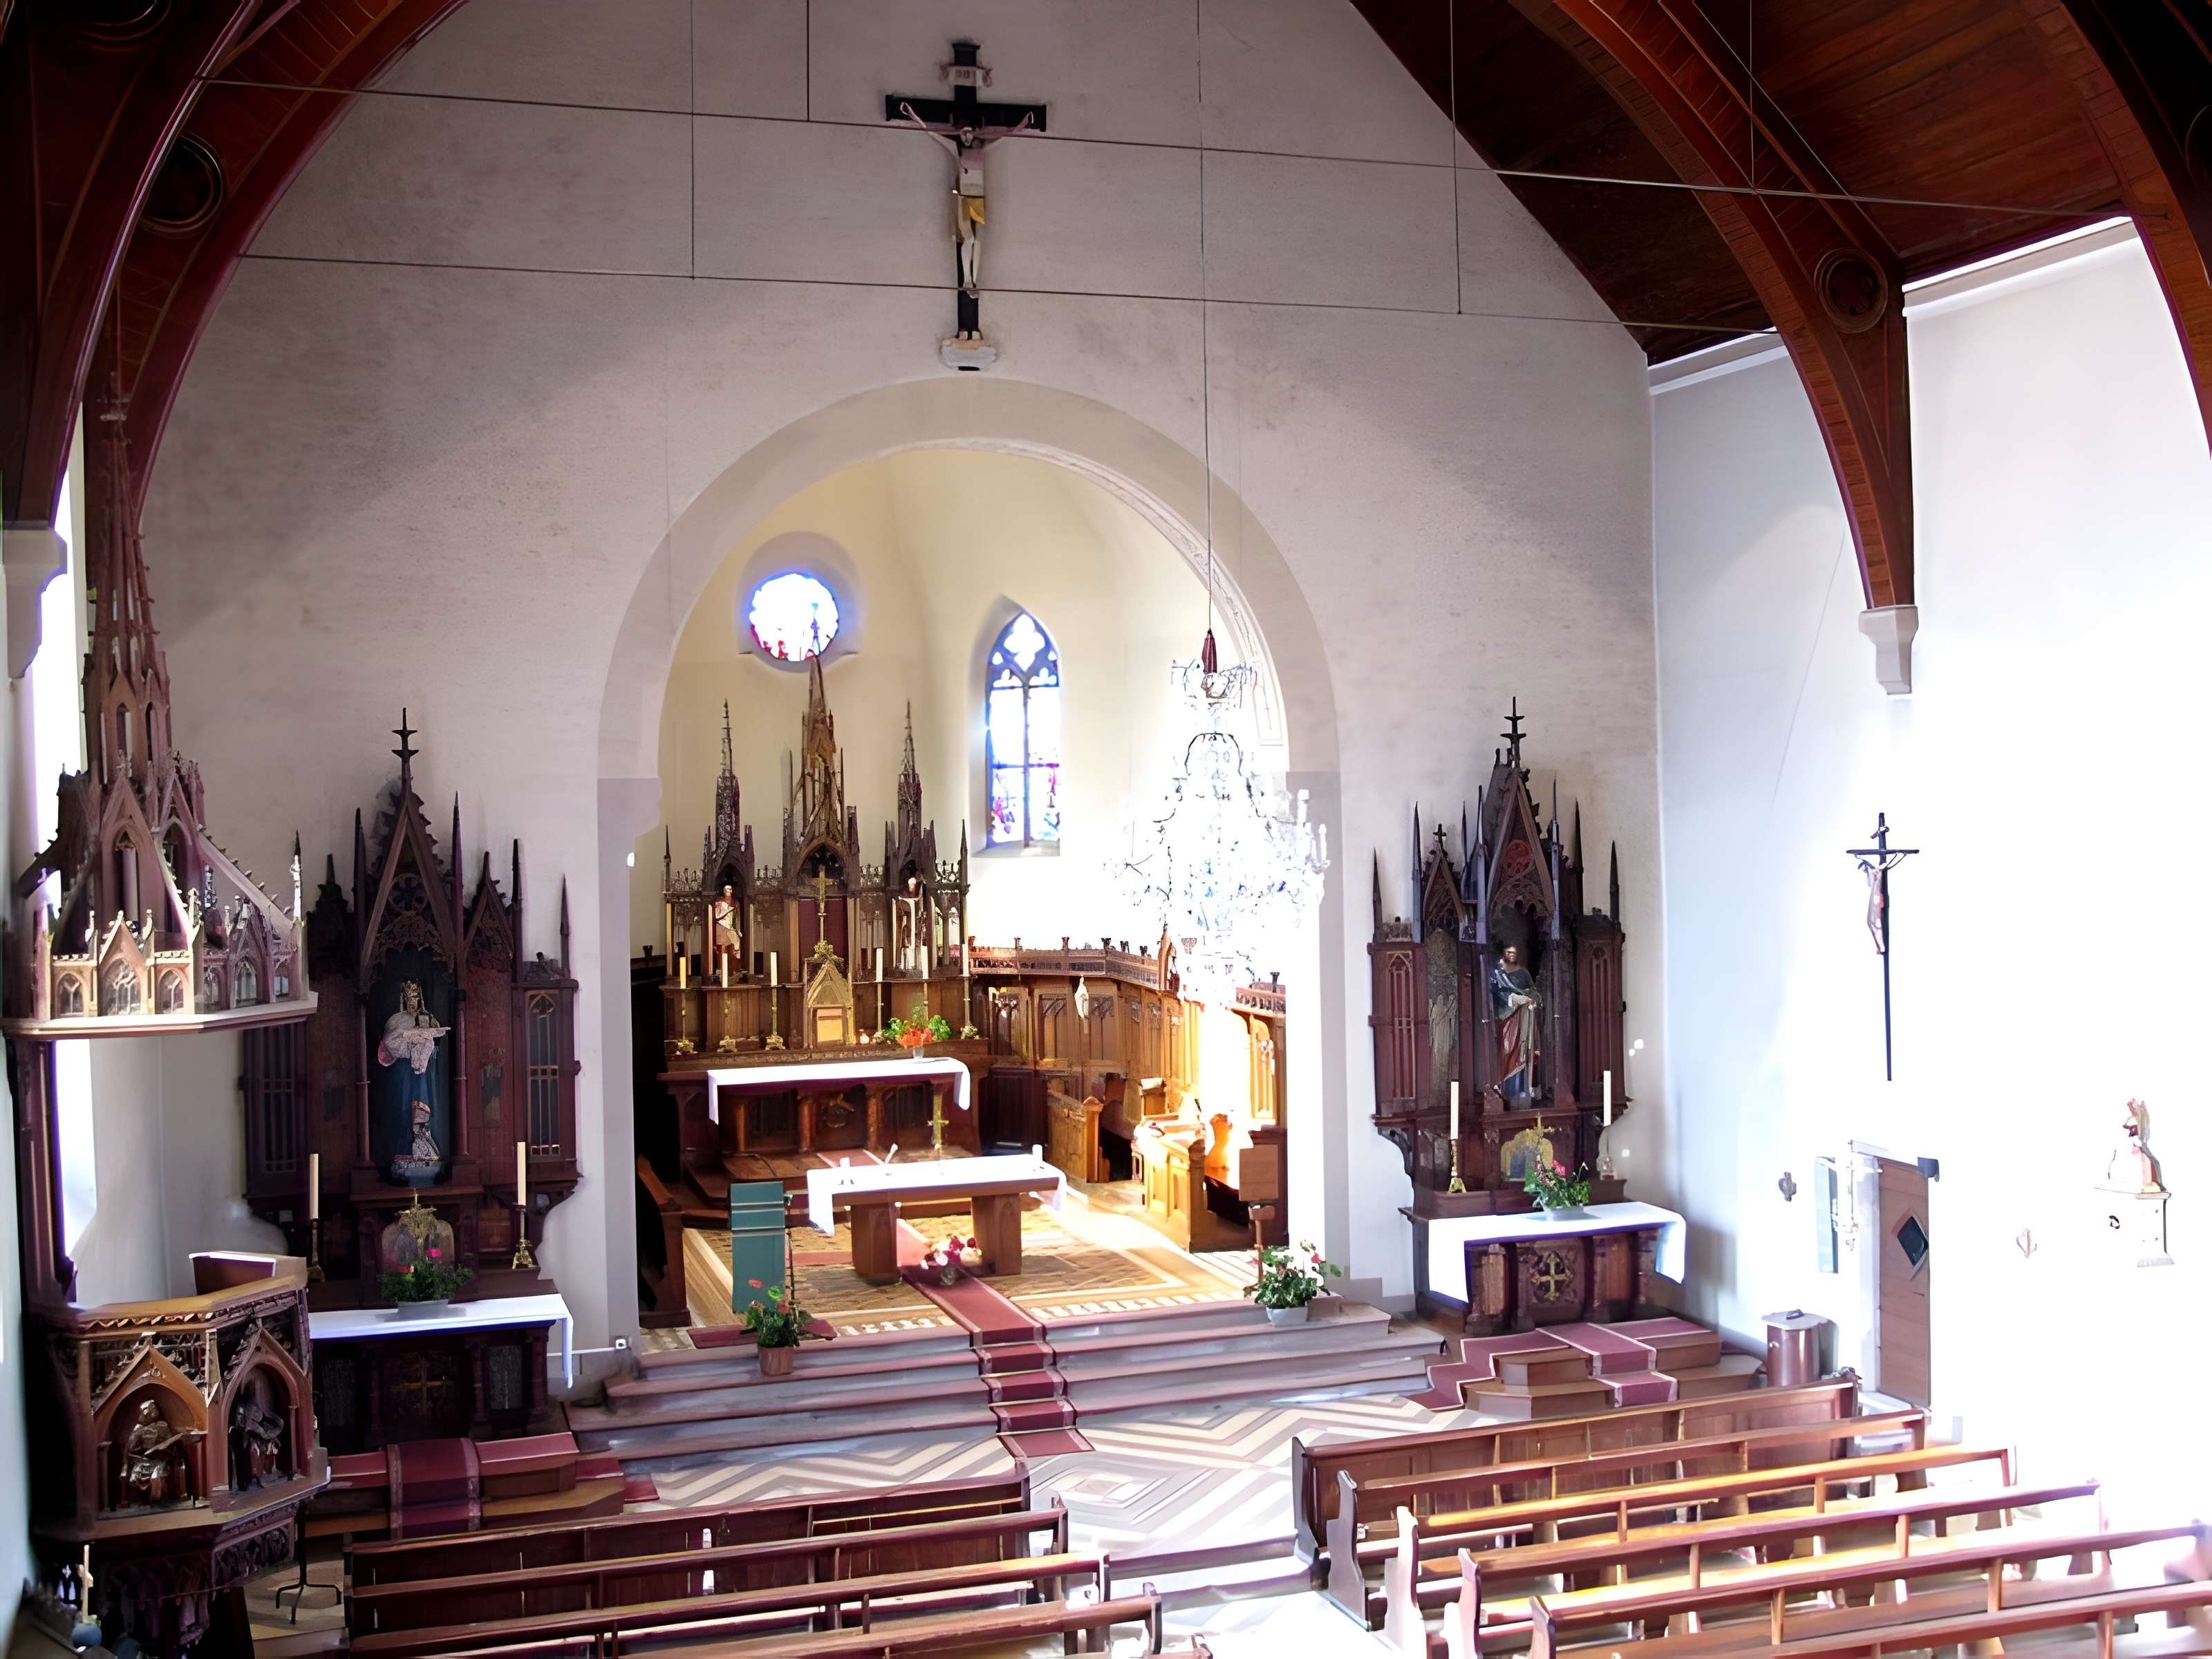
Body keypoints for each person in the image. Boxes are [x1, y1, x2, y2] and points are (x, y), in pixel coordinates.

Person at [379, 980, 449, 1183]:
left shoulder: (427, 1018)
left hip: (424, 1073)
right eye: (410, 997)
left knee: (424, 1107)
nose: (413, 1001)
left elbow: (437, 1043)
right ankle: (403, 1151)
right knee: (404, 1109)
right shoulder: (396, 1020)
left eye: (416, 997)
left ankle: (425, 1150)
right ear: (403, 998)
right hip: (403, 1072)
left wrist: (427, 1040)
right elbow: (389, 1044)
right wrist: (410, 1041)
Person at [1490, 944, 1541, 1100]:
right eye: (1508, 952)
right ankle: (1505, 1090)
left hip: (1524, 1017)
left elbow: (1534, 992)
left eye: (1514, 952)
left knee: (1523, 1052)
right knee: (1508, 1050)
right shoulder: (1497, 974)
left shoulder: (1523, 973)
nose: (1512, 955)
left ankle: (1522, 1092)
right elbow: (1496, 994)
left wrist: (1531, 998)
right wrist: (1514, 998)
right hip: (1507, 1018)